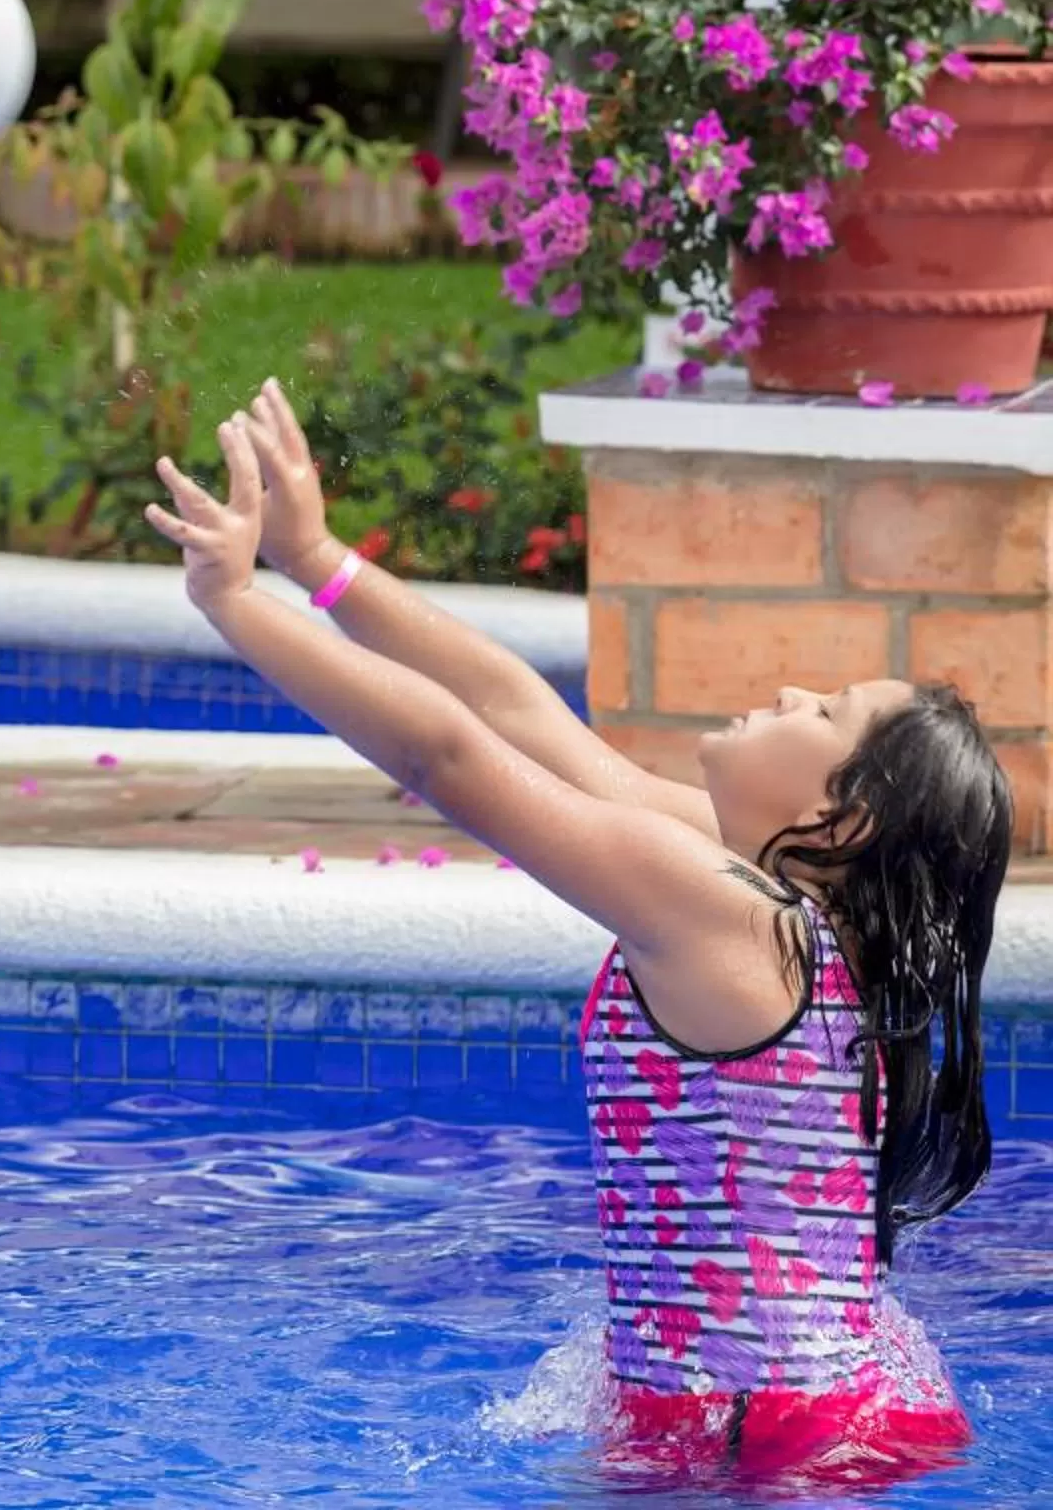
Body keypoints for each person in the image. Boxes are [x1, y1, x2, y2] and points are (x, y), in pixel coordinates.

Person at [146, 379, 1009, 1489]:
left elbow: (450, 760)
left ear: (836, 821)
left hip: (754, 1441)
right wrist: (317, 563)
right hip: (815, 1406)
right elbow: (517, 712)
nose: (793, 687)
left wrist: (235, 604)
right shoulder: (773, 911)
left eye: (826, 709)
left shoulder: (729, 917)